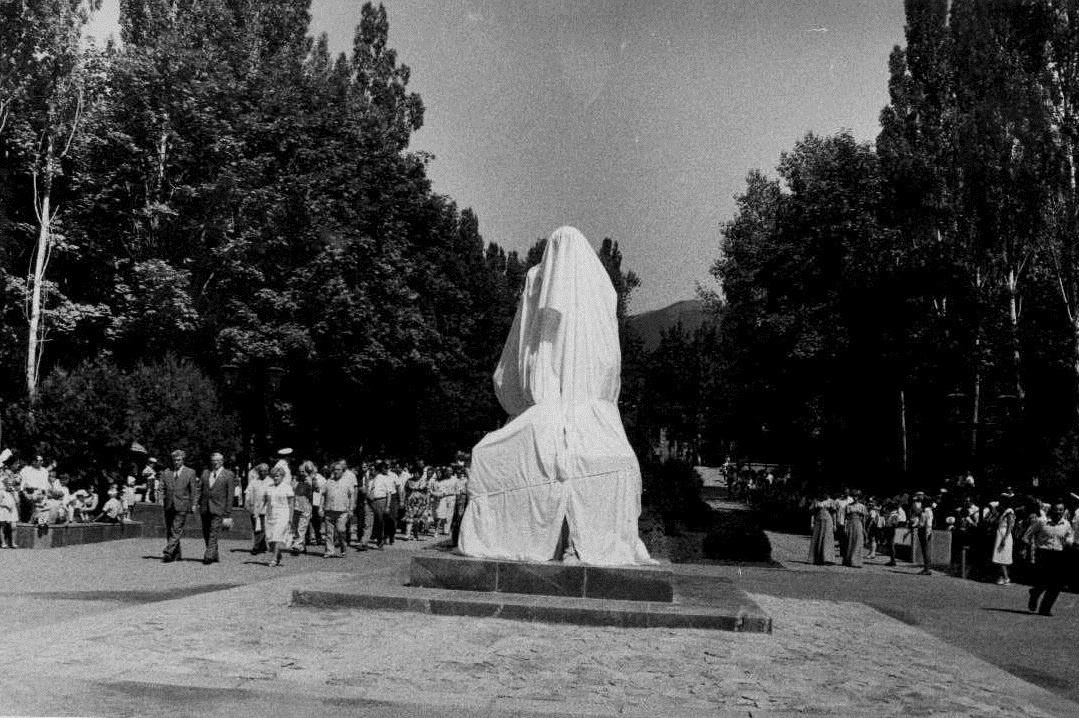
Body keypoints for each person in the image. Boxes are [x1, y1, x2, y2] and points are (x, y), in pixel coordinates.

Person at [1024, 502, 1075, 616]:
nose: (1058, 512)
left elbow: (1070, 535)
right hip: (1043, 553)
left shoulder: (1066, 524)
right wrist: (1029, 548)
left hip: (1058, 554)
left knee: (1056, 584)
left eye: (1061, 510)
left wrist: (1069, 541)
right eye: (1056, 510)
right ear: (1052, 510)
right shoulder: (1042, 522)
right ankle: (1035, 593)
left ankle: (1045, 609)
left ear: (1064, 511)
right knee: (1043, 581)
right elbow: (1028, 534)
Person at [198, 452, 237, 564]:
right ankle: (214, 553)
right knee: (206, 532)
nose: (215, 463)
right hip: (205, 507)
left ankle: (209, 555)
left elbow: (230, 494)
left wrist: (228, 511)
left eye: (218, 461)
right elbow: (199, 489)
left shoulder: (228, 474)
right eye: (213, 461)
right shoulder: (206, 473)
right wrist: (196, 503)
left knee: (214, 532)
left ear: (222, 461)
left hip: (219, 508)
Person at [162, 449, 199, 563]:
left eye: (178, 460)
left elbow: (194, 490)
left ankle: (168, 552)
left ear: (183, 460)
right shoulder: (167, 472)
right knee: (170, 530)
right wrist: (161, 498)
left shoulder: (190, 472)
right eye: (174, 460)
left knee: (176, 528)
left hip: (182, 505)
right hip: (168, 504)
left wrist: (194, 504)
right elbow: (162, 488)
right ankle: (176, 554)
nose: (176, 462)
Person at [262, 465, 294, 567]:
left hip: (283, 514)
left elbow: (291, 504)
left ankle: (274, 559)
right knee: (270, 539)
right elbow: (265, 502)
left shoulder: (287, 488)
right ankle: (277, 553)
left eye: (278, 476)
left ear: (282, 477)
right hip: (271, 514)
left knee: (277, 536)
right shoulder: (269, 488)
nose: (276, 478)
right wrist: (258, 512)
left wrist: (290, 518)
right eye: (274, 476)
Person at [321, 462, 353, 558]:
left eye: (338, 469)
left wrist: (351, 509)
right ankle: (329, 551)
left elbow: (351, 496)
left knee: (341, 530)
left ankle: (343, 547)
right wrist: (320, 508)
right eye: (335, 469)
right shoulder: (328, 482)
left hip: (342, 511)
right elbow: (323, 494)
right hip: (329, 510)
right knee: (329, 533)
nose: (336, 471)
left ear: (343, 471)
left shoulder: (347, 482)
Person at [368, 461, 398, 548]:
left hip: (382, 500)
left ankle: (381, 540)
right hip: (373, 501)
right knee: (377, 521)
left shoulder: (386, 479)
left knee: (382, 521)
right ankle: (378, 538)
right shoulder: (374, 479)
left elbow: (389, 493)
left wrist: (387, 506)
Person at [244, 463, 270, 555]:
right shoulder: (254, 481)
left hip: (265, 509)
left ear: (267, 471)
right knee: (256, 527)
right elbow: (248, 492)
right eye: (260, 471)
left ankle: (256, 546)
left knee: (261, 528)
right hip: (254, 507)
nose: (262, 473)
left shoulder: (270, 482)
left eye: (264, 471)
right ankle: (263, 546)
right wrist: (247, 502)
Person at [289, 462, 315, 554]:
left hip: (306, 507)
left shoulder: (310, 480)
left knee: (302, 527)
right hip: (295, 506)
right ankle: (302, 546)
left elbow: (316, 488)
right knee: (296, 528)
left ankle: (296, 545)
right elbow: (291, 490)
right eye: (299, 471)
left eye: (303, 471)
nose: (301, 473)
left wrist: (311, 478)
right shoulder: (295, 480)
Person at [18, 454, 49, 523]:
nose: (42, 462)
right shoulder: (26, 470)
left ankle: (41, 524)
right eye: (40, 461)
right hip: (28, 493)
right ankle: (31, 521)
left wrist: (43, 493)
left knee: (45, 507)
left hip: (41, 494)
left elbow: (45, 486)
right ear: (33, 462)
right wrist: (25, 493)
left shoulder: (44, 471)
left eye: (42, 461)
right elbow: (22, 486)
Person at [991, 497, 1015, 585]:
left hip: (1005, 534)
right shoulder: (1003, 513)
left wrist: (1004, 539)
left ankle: (1006, 577)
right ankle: (1001, 577)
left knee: (1002, 557)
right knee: (999, 556)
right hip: (1000, 533)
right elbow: (992, 508)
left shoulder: (1009, 513)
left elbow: (1010, 527)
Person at [809, 493, 836, 565]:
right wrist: (812, 523)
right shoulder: (816, 501)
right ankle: (817, 558)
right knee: (817, 538)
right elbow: (813, 513)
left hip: (828, 521)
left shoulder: (831, 502)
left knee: (827, 538)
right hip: (818, 520)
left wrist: (834, 524)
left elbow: (833, 514)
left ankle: (827, 558)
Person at [911, 492, 934, 575]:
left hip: (925, 530)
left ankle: (927, 568)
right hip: (923, 529)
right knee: (924, 549)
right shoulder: (924, 511)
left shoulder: (927, 511)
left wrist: (927, 532)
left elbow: (928, 523)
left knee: (926, 549)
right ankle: (926, 567)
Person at [842, 492, 867, 567]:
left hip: (858, 524)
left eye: (857, 497)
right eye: (854, 496)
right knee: (850, 541)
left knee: (858, 541)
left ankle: (856, 561)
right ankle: (848, 560)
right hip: (850, 524)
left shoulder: (862, 506)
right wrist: (845, 527)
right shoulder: (848, 506)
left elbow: (864, 519)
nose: (855, 498)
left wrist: (864, 528)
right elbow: (845, 518)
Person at [0, 476, 17, 548]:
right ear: (5, 484)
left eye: (11, 484)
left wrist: (14, 495)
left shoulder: (14, 492)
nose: (10, 486)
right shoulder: (2, 492)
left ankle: (13, 543)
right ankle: (3, 543)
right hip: (4, 510)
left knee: (14, 527)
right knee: (2, 526)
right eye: (8, 484)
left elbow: (17, 501)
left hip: (13, 511)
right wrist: (6, 505)